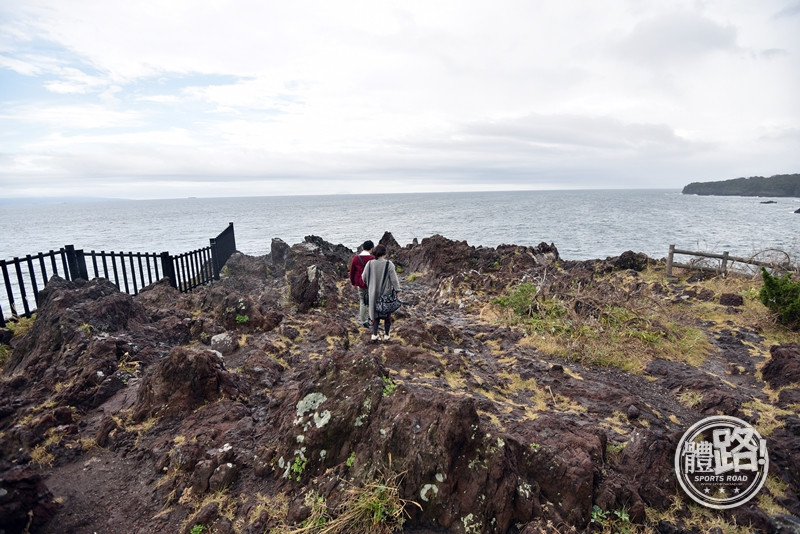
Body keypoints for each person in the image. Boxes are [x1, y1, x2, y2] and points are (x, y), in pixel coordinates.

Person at [361, 244, 400, 342]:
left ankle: (374, 335)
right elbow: (394, 280)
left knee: (375, 315)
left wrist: (371, 284)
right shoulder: (389, 264)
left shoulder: (369, 264)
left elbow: (363, 277)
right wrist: (397, 290)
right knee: (387, 315)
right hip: (386, 294)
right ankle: (386, 335)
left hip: (373, 293)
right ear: (384, 253)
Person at [349, 240, 375, 327]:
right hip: (371, 283)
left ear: (362, 247)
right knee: (372, 301)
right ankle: (372, 319)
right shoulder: (372, 259)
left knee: (362, 301)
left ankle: (364, 321)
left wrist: (353, 283)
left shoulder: (356, 258)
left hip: (360, 283)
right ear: (371, 249)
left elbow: (352, 271)